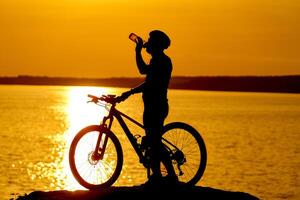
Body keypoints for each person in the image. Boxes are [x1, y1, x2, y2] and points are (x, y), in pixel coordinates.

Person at [118, 30, 178, 185]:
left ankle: (168, 176)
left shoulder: (162, 61)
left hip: (157, 106)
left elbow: (146, 77)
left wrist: (137, 51)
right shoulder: (156, 60)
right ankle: (158, 176)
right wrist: (130, 92)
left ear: (157, 45)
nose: (147, 43)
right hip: (152, 105)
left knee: (154, 141)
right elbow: (146, 74)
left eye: (150, 41)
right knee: (153, 141)